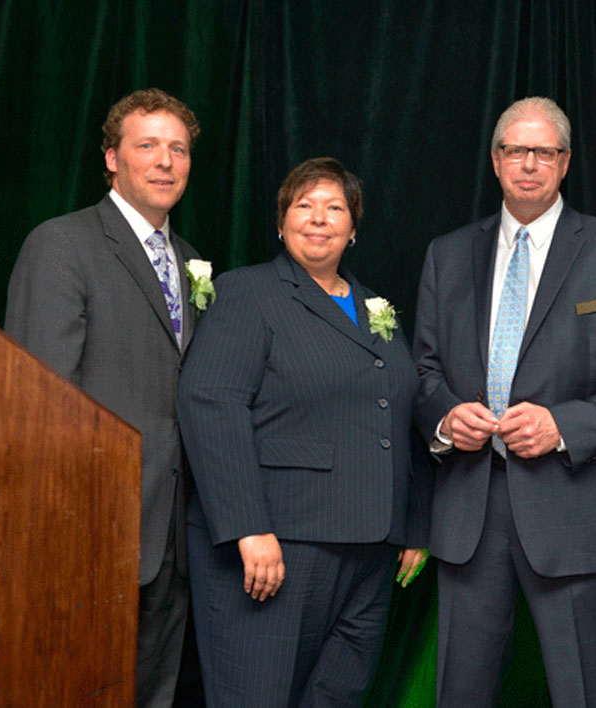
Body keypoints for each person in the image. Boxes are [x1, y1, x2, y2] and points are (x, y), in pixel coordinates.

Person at [413, 96, 596, 708]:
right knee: (460, 692)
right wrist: (447, 417)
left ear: (564, 163)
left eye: (544, 152)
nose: (529, 164)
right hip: (469, 511)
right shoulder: (447, 255)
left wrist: (563, 425)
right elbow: (423, 371)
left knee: (588, 693)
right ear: (495, 159)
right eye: (516, 150)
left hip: (576, 507)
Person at [176, 157, 429, 707]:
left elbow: (401, 413)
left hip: (369, 549)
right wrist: (248, 527)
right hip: (278, 544)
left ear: (354, 228)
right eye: (304, 205)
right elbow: (211, 403)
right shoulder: (247, 292)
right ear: (281, 222)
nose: (319, 218)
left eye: (335, 207)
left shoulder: (375, 308)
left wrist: (412, 522)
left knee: (336, 697)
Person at [5, 88, 200, 708]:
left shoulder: (192, 261)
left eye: (178, 149)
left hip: (172, 533)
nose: (166, 162)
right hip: (88, 528)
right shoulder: (62, 244)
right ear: (112, 159)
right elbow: (41, 398)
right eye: (148, 146)